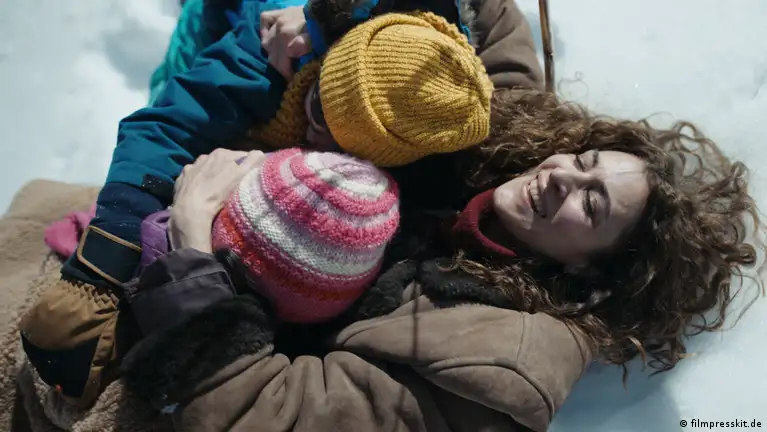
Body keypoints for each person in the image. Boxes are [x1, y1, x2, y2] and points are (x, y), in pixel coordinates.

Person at [115, 87, 764, 430]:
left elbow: (270, 417)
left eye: (591, 204)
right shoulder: (501, 150)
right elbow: (491, 27)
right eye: (584, 159)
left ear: (591, 268)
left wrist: (192, 246)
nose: (563, 176)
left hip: (156, 354)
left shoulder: (501, 359)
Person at [18, 5, 498, 406]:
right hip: (240, 20)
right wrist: (105, 258)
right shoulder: (281, 49)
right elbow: (167, 126)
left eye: (342, 151)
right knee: (180, 80)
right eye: (318, 106)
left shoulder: (433, 126)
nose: (314, 138)